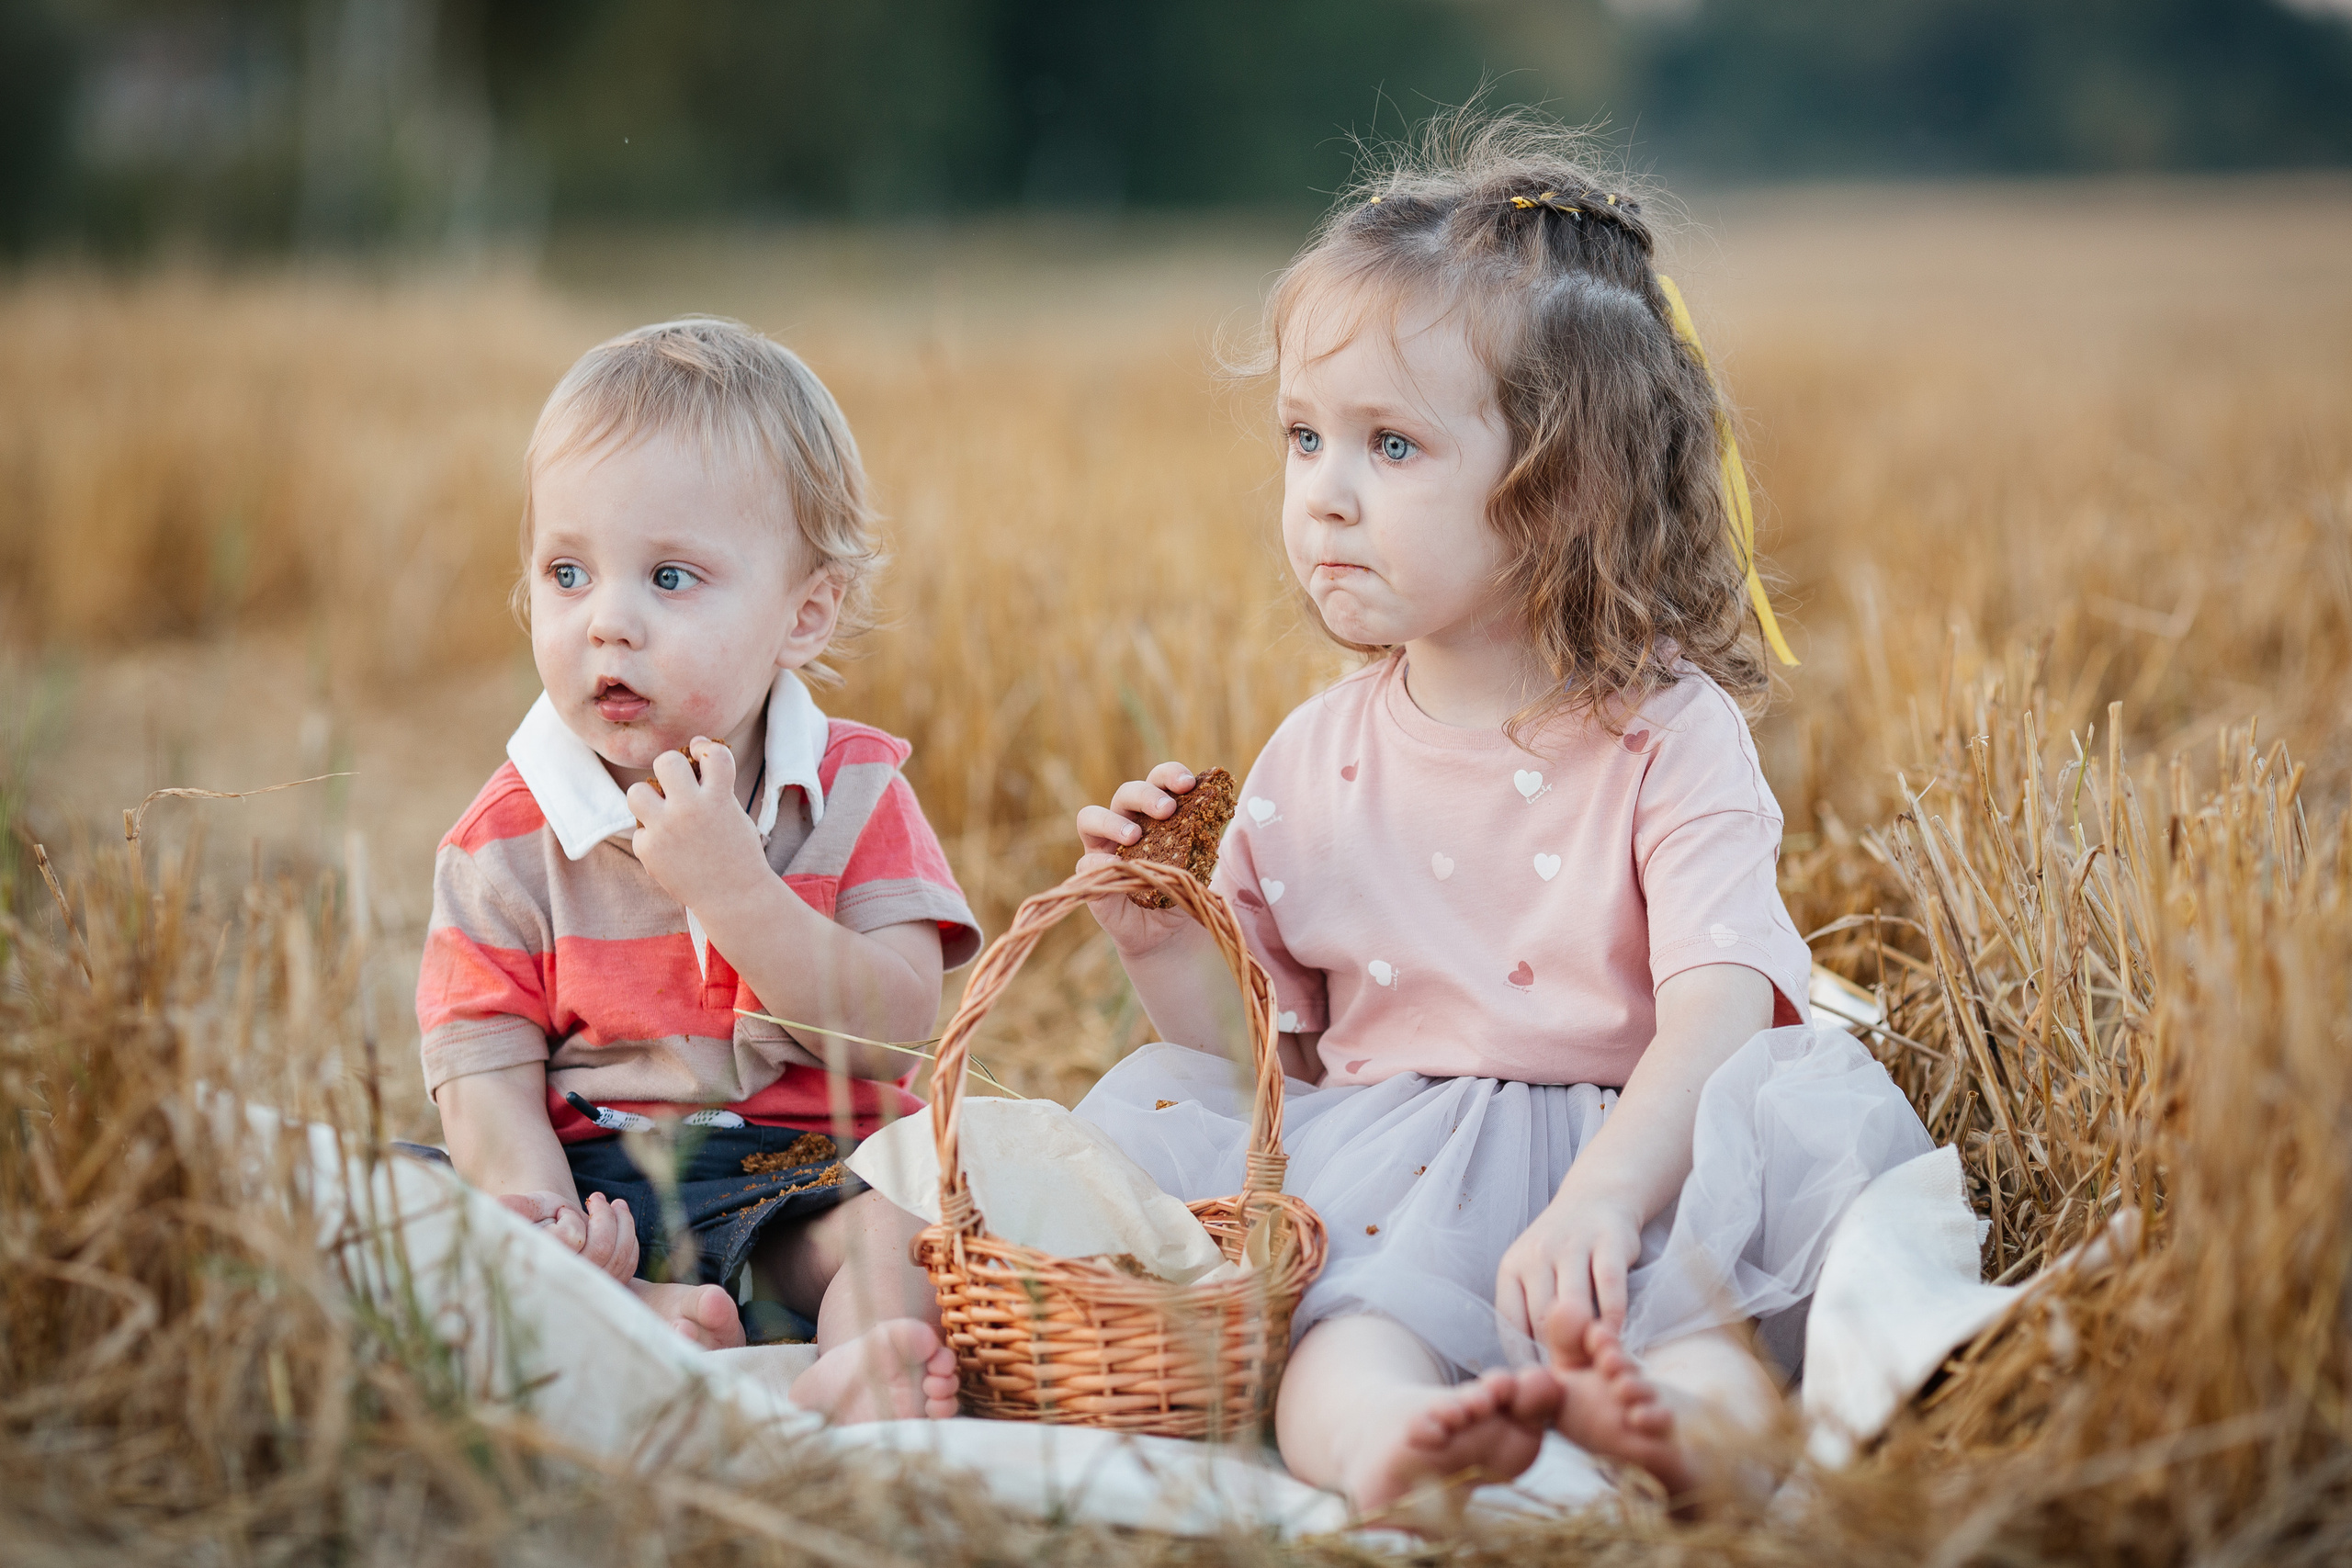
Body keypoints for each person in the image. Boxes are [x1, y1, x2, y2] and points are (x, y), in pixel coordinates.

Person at [1072, 116, 1930, 1518]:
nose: (1325, 497)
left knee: (1700, 1338)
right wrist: (1158, 939)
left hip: (1644, 1150)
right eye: (1305, 437)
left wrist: (1605, 1195)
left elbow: (1720, 1007)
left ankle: (1677, 1437)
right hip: (1391, 1166)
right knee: (1336, 1357)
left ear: (1563, 490)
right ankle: (1412, 1443)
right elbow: (1261, 1050)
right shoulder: (1315, 752)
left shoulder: (1667, 732)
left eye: (1391, 445)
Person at [417, 317, 975, 1423]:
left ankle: (863, 1366)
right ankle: (622, 1300)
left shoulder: (856, 790)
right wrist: (546, 1223)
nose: (607, 623)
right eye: (567, 573)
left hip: (806, 1179)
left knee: (909, 1228)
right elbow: (482, 1079)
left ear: (803, 614)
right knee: (408, 1213)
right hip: (598, 1180)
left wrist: (736, 891)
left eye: (670, 577)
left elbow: (896, 1026)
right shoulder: (506, 836)